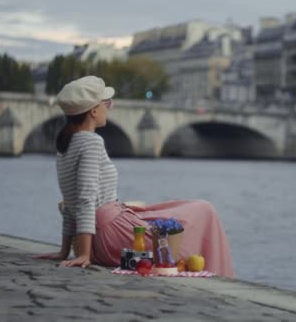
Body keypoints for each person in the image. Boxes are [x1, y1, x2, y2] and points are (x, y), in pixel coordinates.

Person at [34, 76, 233, 277]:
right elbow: (85, 198)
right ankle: (220, 277)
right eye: (107, 103)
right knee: (203, 211)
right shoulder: (91, 142)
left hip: (103, 235)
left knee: (185, 213)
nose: (109, 108)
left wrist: (65, 249)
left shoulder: (65, 146)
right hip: (112, 234)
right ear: (94, 111)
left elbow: (70, 204)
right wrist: (85, 254)